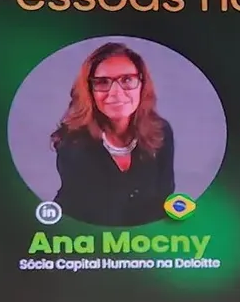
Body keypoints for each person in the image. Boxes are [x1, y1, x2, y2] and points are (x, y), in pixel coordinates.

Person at [51, 41, 177, 226]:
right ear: (89, 90)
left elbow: (166, 201)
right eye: (102, 82)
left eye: (127, 80)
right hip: (83, 243)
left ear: (142, 84)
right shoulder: (72, 142)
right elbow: (95, 212)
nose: (116, 93)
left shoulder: (161, 131)